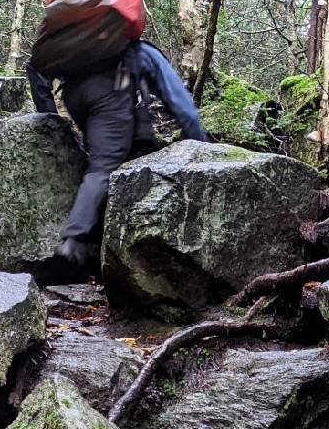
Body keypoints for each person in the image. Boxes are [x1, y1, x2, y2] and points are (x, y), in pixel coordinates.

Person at [27, 40, 209, 272]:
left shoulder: (78, 46)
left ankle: (104, 233)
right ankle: (74, 242)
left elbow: (33, 66)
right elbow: (179, 102)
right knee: (104, 165)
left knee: (119, 151)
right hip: (107, 95)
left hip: (74, 95)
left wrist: (49, 116)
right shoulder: (142, 50)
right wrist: (202, 147)